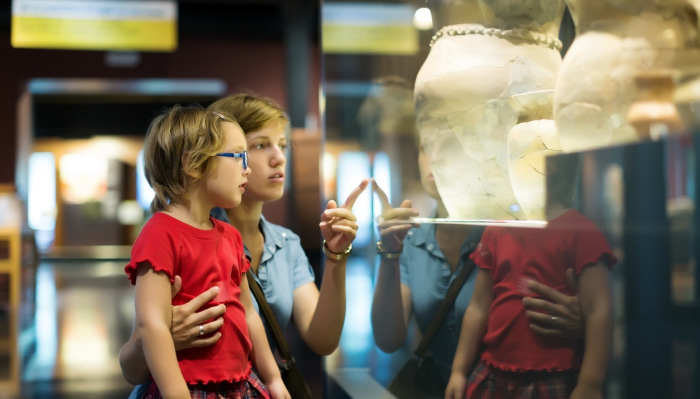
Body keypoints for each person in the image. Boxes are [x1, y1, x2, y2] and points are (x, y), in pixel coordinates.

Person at [119, 93, 369, 395]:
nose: (279, 158)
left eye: (283, 145)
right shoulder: (168, 232)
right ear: (196, 161)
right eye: (258, 146)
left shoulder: (278, 242)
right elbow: (140, 348)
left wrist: (336, 254)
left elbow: (322, 339)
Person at [370, 141, 585, 389]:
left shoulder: (514, 232)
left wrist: (583, 323)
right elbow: (387, 340)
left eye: (453, 145)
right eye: (426, 146)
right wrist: (389, 252)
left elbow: (587, 310)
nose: (435, 157)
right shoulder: (414, 238)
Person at [124, 105, 289, 398]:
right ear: (193, 164)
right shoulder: (159, 233)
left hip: (241, 385)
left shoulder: (230, 237)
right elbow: (152, 325)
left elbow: (249, 314)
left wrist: (274, 379)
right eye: (238, 156)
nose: (246, 168)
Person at [445, 153, 617, 399]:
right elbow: (479, 306)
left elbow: (600, 310)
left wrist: (590, 383)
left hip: (553, 375)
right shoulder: (497, 228)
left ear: (557, 165)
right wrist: (459, 370)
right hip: (494, 370)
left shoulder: (579, 231)